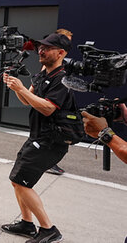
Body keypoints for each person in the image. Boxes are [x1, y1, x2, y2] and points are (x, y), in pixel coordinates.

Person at [1, 33, 74, 243]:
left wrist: (21, 88)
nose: (41, 51)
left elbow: (49, 108)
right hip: (37, 137)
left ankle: (49, 230)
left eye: (47, 48)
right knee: (18, 181)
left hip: (51, 141)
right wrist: (15, 87)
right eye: (40, 47)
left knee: (20, 182)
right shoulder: (44, 73)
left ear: (61, 53)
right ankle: (26, 223)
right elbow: (27, 100)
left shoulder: (63, 78)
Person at [46, 28, 73, 175]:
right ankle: (49, 163)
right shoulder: (51, 58)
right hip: (52, 101)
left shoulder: (62, 58)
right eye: (66, 40)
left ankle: (50, 162)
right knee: (53, 133)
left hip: (60, 100)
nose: (68, 43)